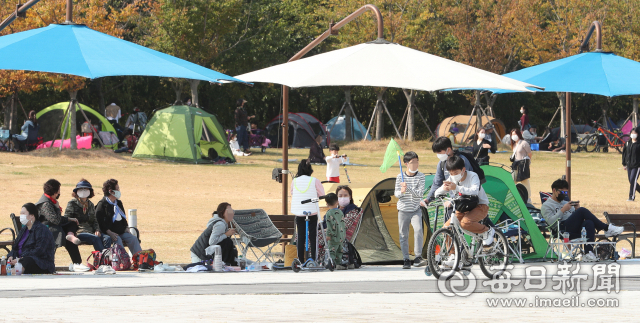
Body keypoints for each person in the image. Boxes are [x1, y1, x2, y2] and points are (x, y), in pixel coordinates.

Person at [541, 179, 624, 261]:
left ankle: (588, 253)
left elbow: (574, 217)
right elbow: (551, 222)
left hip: (574, 229)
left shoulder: (565, 202)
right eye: (562, 192)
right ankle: (606, 228)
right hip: (561, 229)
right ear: (554, 190)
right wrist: (563, 210)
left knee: (589, 222)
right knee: (582, 211)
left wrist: (577, 209)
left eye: (566, 193)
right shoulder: (546, 206)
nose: (564, 195)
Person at [435, 155, 493, 251]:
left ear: (463, 169)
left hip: (479, 205)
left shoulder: (473, 176)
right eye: (451, 173)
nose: (453, 175)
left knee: (465, 223)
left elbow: (474, 191)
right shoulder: (451, 179)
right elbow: (437, 192)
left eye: (456, 172)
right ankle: (452, 256)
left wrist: (456, 188)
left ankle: (487, 231)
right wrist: (443, 190)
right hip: (462, 207)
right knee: (446, 228)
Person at [36, 179, 82, 266]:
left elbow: (56, 219)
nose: (59, 193)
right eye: (58, 190)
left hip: (53, 228)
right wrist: (57, 208)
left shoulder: (50, 201)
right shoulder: (45, 204)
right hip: (47, 230)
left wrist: (69, 219)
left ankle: (70, 236)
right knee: (67, 239)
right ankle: (77, 263)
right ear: (54, 192)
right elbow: (56, 220)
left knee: (72, 224)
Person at [394, 151, 426, 269]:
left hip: (415, 209)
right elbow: (396, 194)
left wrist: (408, 188)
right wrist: (402, 191)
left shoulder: (421, 176)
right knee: (403, 234)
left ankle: (418, 257)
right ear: (406, 164)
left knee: (418, 230)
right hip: (403, 210)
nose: (415, 164)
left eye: (417, 162)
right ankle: (406, 259)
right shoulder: (399, 177)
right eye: (413, 162)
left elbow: (419, 195)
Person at [290, 159, 326, 262]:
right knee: (313, 236)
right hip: (312, 211)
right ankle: (314, 259)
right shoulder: (314, 180)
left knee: (300, 236)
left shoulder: (294, 181)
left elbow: (292, 193)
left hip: (299, 212)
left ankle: (301, 260)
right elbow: (322, 195)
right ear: (310, 170)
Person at [96, 179, 142, 255]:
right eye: (117, 189)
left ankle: (140, 260)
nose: (119, 191)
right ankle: (123, 261)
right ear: (111, 191)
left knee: (133, 238)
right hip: (109, 233)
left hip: (121, 231)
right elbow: (99, 221)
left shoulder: (119, 203)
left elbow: (123, 217)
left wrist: (126, 227)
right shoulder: (102, 204)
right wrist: (109, 232)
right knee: (118, 240)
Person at [7, 203, 56, 274]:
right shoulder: (24, 230)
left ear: (32, 216)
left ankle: (11, 272)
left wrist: (21, 259)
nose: (21, 216)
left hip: (40, 262)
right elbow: (15, 248)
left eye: (23, 213)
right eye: (20, 213)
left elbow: (39, 250)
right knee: (3, 261)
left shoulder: (42, 229)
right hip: (19, 260)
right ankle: (9, 270)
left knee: (27, 261)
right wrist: (11, 256)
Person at [424, 137, 473, 204]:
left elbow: (466, 184)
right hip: (452, 201)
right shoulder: (442, 163)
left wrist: (454, 201)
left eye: (439, 152)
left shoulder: (463, 161)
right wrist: (428, 199)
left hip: (466, 200)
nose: (438, 155)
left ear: (448, 149)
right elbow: (437, 183)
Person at [64, 179, 108, 253]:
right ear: (77, 191)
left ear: (90, 191)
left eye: (86, 189)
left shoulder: (90, 204)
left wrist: (97, 230)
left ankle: (103, 259)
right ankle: (103, 259)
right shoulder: (72, 203)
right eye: (81, 189)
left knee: (107, 238)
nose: (83, 191)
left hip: (90, 231)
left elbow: (94, 220)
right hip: (78, 232)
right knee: (95, 238)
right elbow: (67, 218)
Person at [321, 193, 346, 269]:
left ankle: (331, 263)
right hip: (341, 236)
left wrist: (328, 235)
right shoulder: (340, 212)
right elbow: (342, 224)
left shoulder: (329, 213)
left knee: (332, 250)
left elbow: (329, 225)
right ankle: (338, 264)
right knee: (339, 251)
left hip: (333, 237)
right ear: (337, 202)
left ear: (326, 204)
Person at [510, 129, 533, 203]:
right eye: (512, 135)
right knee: (512, 179)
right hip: (515, 164)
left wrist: (527, 163)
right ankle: (513, 196)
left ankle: (528, 197)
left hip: (522, 164)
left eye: (515, 134)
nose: (514, 136)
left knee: (524, 180)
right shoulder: (514, 144)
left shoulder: (524, 143)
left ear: (519, 134)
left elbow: (529, 154)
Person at [622, 127, 640, 201]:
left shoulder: (639, 144)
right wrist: (624, 164)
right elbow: (624, 154)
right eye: (632, 133)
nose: (633, 135)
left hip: (637, 165)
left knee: (632, 180)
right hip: (629, 165)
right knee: (631, 181)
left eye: (635, 133)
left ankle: (631, 197)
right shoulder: (627, 143)